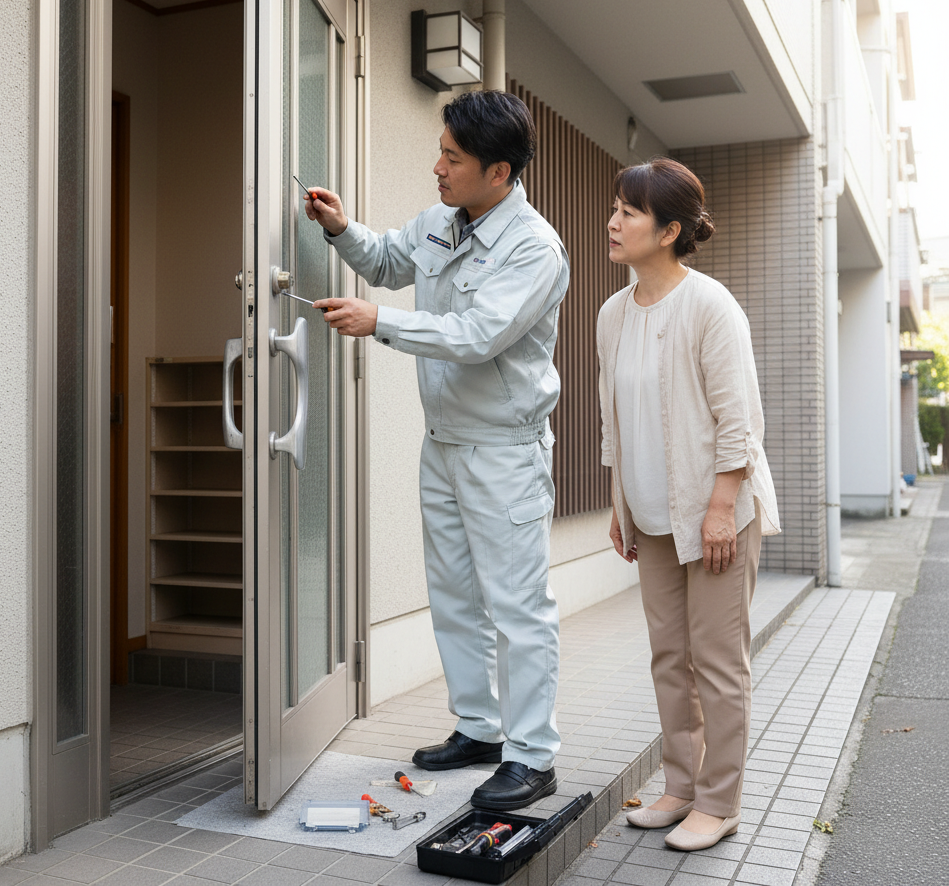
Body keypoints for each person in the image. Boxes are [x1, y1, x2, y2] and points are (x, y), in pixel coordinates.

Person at [302, 90, 570, 811]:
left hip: (504, 452)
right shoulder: (443, 222)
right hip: (444, 443)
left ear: (499, 171)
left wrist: (378, 323)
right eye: (440, 152)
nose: (438, 168)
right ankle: (480, 730)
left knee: (517, 607)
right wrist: (340, 228)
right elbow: (389, 259)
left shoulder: (533, 249)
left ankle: (533, 755)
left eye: (453, 158)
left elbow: (478, 334)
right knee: (453, 595)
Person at [596, 158, 780, 851]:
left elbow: (740, 421)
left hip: (716, 514)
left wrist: (722, 506)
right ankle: (679, 785)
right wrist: (619, 503)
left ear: (670, 229)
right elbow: (614, 419)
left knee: (717, 660)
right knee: (669, 655)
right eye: (615, 208)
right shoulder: (612, 313)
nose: (613, 222)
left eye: (630, 212)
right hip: (650, 515)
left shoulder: (709, 306)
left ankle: (721, 800)